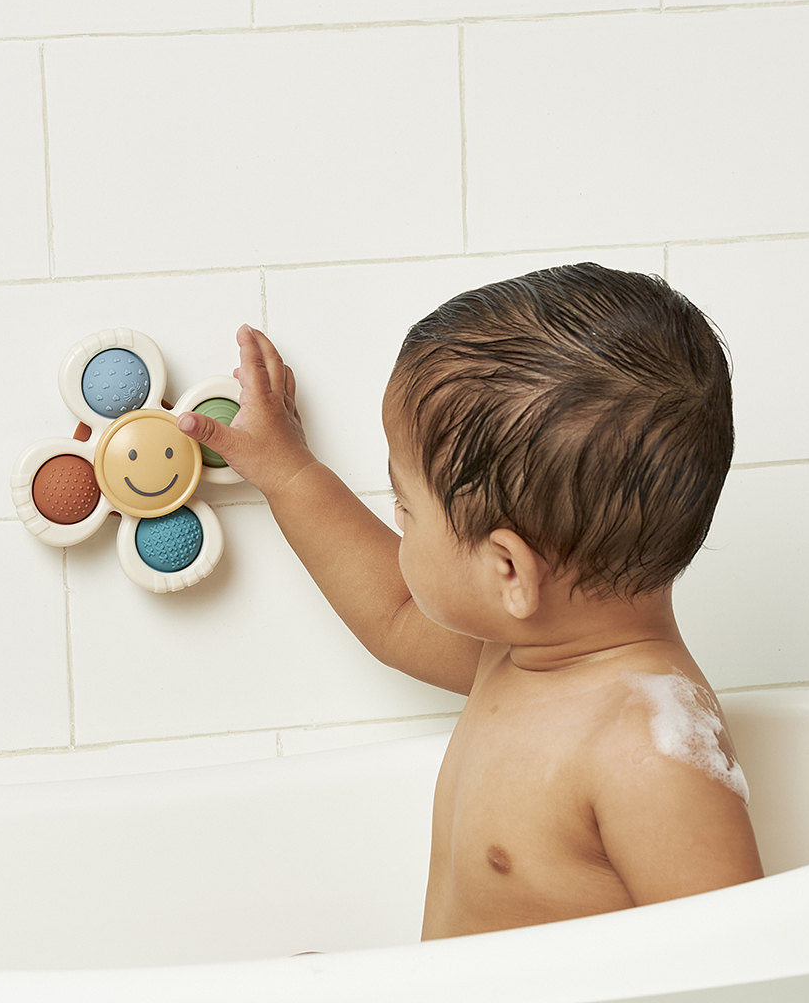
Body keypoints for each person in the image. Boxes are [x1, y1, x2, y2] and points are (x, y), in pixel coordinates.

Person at [177, 262, 763, 939]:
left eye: (406, 507)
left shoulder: (647, 753)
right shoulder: (520, 655)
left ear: (508, 569)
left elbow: (737, 964)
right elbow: (394, 611)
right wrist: (287, 471)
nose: (397, 521)